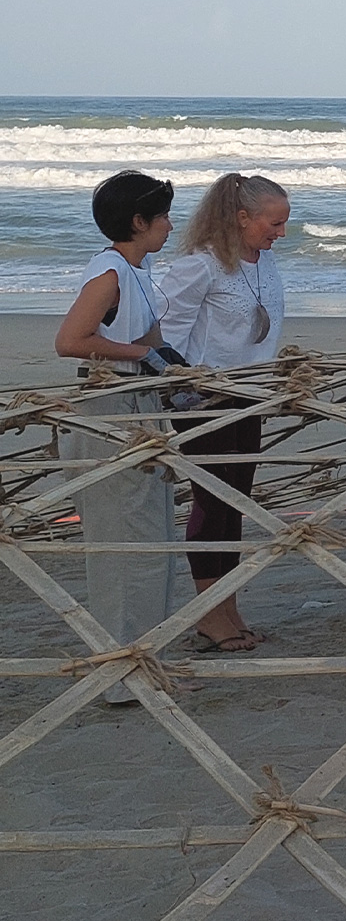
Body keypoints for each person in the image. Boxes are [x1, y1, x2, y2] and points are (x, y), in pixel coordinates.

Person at [53, 171, 183, 701]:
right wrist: (143, 355)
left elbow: (145, 335)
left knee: (154, 539)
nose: (170, 225)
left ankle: (147, 659)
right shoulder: (109, 271)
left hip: (139, 404)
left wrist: (172, 368)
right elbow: (70, 340)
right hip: (110, 410)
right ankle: (123, 678)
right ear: (138, 222)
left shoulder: (137, 270)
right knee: (126, 543)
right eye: (163, 216)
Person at [158, 173, 290, 653]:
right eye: (274, 224)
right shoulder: (201, 265)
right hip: (203, 400)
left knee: (236, 502)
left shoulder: (263, 261)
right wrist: (182, 389)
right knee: (212, 502)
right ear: (242, 217)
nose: (281, 233)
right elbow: (166, 336)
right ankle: (208, 615)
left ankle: (228, 606)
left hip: (251, 395)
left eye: (284, 223)